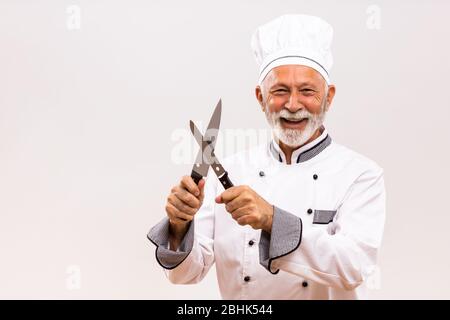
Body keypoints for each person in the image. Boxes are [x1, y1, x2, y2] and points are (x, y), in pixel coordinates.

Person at [147, 14, 386, 299]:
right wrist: (179, 224)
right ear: (261, 98)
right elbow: (186, 274)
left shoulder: (361, 175)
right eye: (280, 91)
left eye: (307, 91)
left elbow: (353, 267)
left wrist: (272, 219)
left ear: (328, 97)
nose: (293, 104)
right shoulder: (231, 170)